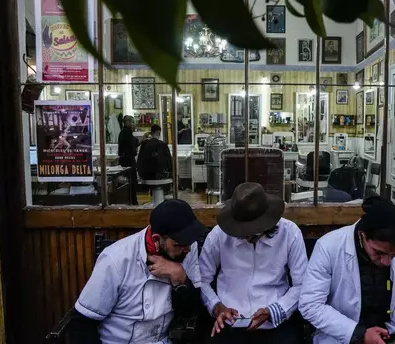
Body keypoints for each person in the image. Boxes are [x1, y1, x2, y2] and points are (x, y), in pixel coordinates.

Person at [68, 200, 207, 344]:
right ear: (157, 239)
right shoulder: (116, 259)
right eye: (179, 244)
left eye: (189, 243)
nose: (188, 249)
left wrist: (181, 278)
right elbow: (82, 324)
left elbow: (190, 310)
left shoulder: (187, 250)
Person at [299, 197, 395, 344]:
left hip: (392, 334)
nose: (386, 262)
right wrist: (358, 334)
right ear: (363, 235)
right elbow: (310, 305)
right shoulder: (328, 247)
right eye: (379, 253)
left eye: (394, 254)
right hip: (343, 336)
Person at [199, 182, 308, 344]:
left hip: (276, 321)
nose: (243, 235)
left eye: (249, 231)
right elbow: (201, 280)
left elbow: (302, 284)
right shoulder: (218, 235)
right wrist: (216, 307)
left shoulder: (290, 233)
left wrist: (275, 311)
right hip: (230, 322)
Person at [118, 115, 139, 204]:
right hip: (127, 161)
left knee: (131, 183)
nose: (131, 123)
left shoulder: (126, 132)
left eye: (132, 121)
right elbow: (130, 147)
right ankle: (132, 201)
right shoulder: (126, 132)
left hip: (127, 159)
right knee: (131, 183)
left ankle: (131, 201)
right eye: (129, 121)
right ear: (125, 122)